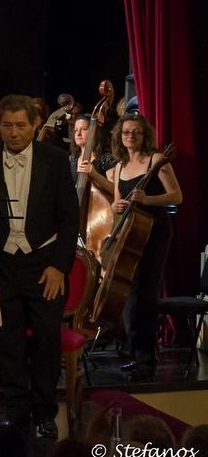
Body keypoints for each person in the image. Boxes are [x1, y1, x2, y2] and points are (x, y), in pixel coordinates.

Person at [0, 95, 79, 437]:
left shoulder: (56, 160)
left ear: (33, 126)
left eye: (21, 126)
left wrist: (60, 266)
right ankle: (14, 412)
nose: (14, 133)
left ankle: (44, 413)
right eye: (7, 126)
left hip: (45, 266)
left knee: (46, 341)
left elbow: (70, 217)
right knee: (7, 342)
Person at [106, 113, 181, 379]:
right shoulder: (119, 166)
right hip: (131, 231)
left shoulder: (157, 160)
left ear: (144, 134)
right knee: (130, 293)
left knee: (146, 294)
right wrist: (115, 205)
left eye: (136, 132)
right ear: (119, 136)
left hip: (155, 230)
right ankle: (133, 352)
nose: (131, 136)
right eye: (126, 132)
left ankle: (146, 359)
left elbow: (177, 196)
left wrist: (147, 199)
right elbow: (117, 203)